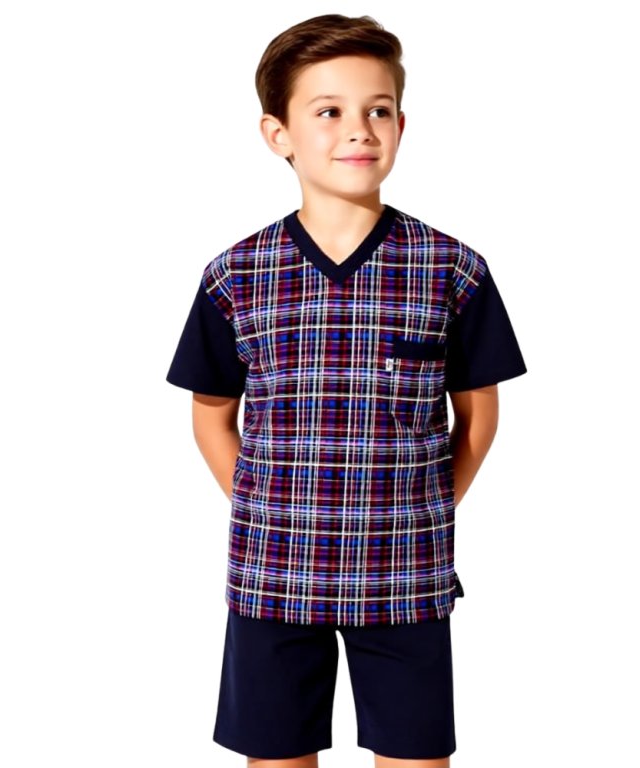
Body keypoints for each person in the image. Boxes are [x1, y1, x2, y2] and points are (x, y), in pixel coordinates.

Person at [166, 13, 527, 768]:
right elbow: (210, 416)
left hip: (405, 573)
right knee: (277, 756)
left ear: (401, 124)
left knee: (416, 757)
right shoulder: (237, 275)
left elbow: (479, 418)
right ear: (279, 134)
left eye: (378, 110)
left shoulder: (451, 269)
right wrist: (271, 507)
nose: (359, 129)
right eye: (328, 111)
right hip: (273, 573)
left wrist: (421, 507)